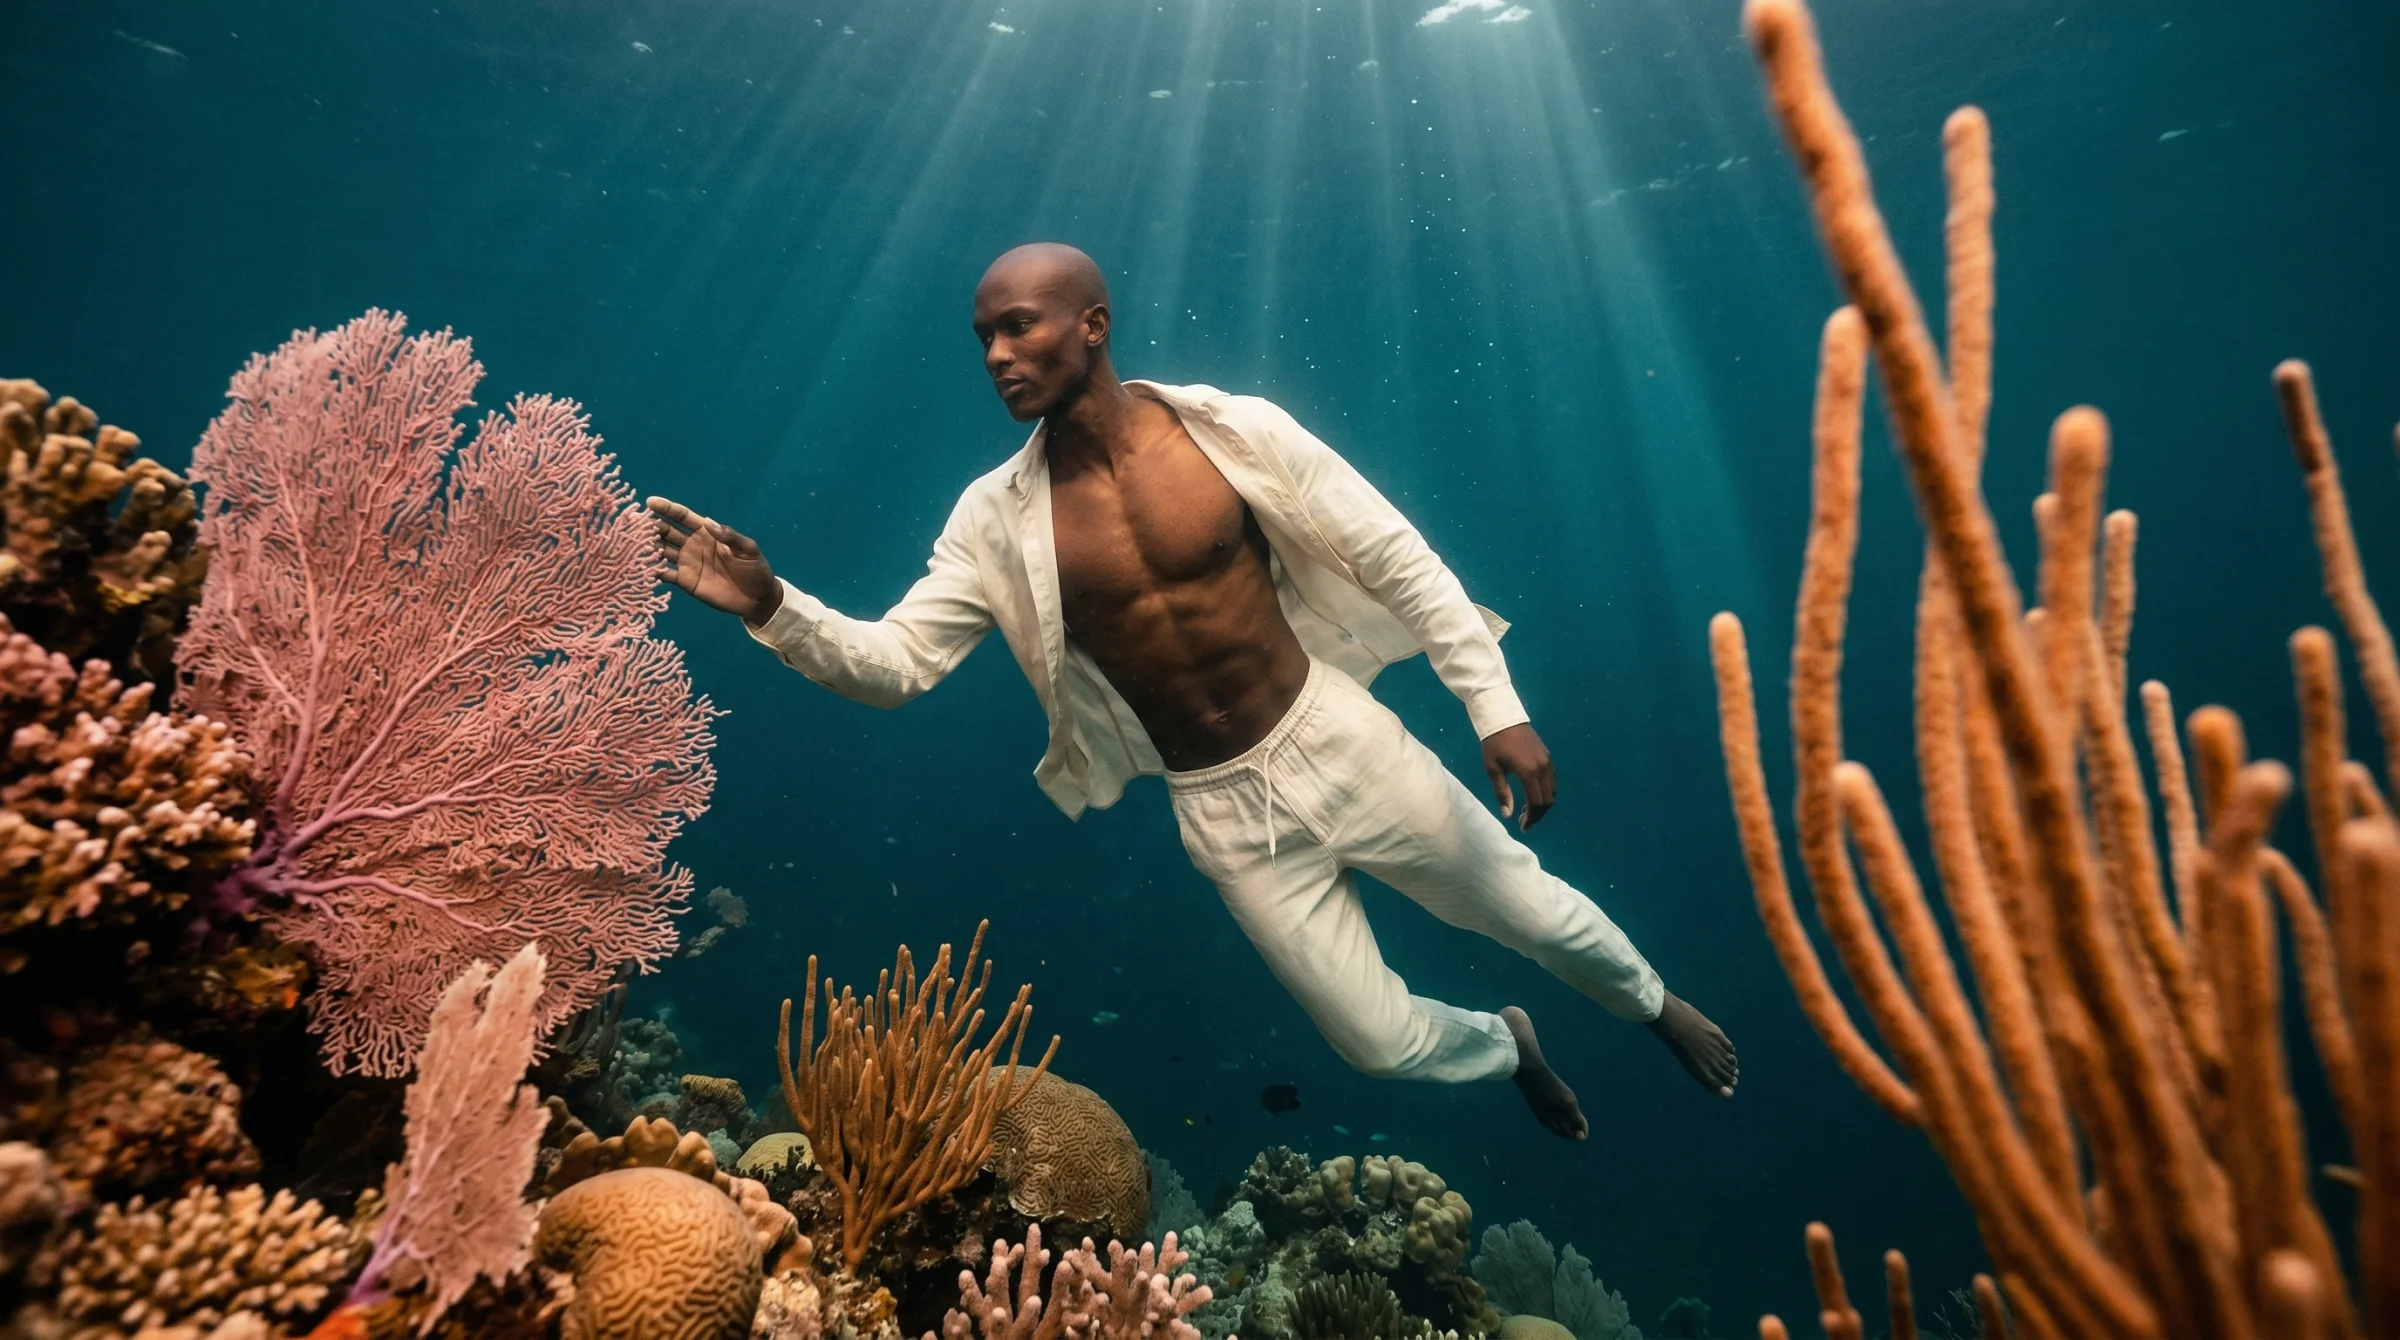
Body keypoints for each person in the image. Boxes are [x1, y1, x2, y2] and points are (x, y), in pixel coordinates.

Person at [648, 243, 1736, 1137]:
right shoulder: (992, 519)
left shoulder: (1232, 430)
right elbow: (897, 667)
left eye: (1019, 323)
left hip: (1340, 741)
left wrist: (1495, 706)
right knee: (1373, 1040)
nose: (996, 352)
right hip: (1218, 809)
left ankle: (1652, 1002)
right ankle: (1505, 1045)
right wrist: (770, 603)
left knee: (1537, 911)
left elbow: (1397, 556)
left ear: (1094, 324)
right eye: (983, 335)